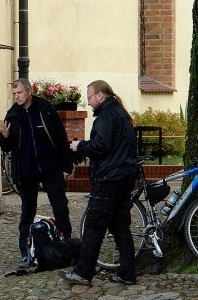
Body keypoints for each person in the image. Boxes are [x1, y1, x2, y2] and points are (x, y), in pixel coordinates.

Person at [59, 80, 138, 286]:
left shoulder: (106, 116)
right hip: (124, 177)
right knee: (120, 225)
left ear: (100, 96)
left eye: (90, 98)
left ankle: (83, 272)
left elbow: (100, 146)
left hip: (108, 179)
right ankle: (127, 272)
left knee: (94, 225)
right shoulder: (122, 114)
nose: (89, 103)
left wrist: (80, 146)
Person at [0, 78, 73, 269]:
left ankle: (66, 243)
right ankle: (26, 250)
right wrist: (4, 136)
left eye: (19, 93)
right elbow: (6, 147)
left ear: (29, 92)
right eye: (14, 94)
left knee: (60, 206)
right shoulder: (12, 115)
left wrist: (66, 166)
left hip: (50, 167)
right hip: (26, 170)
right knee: (27, 212)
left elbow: (59, 136)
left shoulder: (45, 108)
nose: (17, 97)